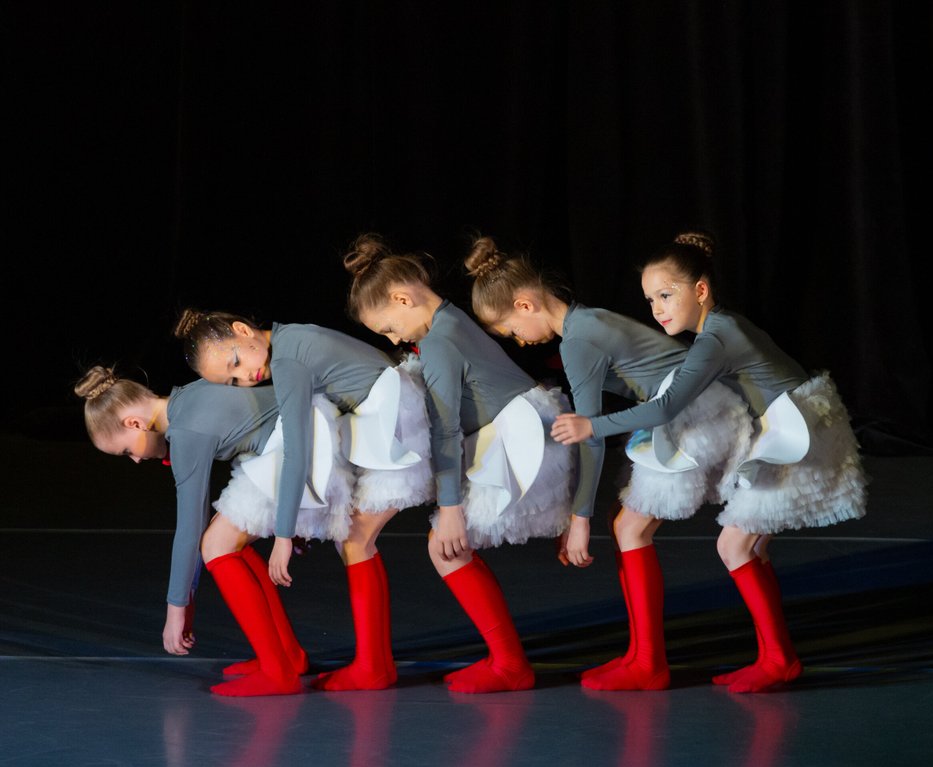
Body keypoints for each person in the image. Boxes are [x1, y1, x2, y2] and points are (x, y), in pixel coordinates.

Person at [552, 232, 868, 692]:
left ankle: (779, 660)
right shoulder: (719, 327)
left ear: (700, 290)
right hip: (792, 426)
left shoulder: (715, 339)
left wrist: (591, 426)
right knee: (749, 548)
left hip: (798, 435)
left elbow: (665, 408)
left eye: (666, 295)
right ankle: (776, 657)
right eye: (650, 300)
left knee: (734, 546)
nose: (657, 309)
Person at [464, 234, 750, 690]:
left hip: (697, 411)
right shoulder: (584, 322)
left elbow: (590, 436)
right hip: (686, 406)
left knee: (630, 528)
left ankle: (649, 664)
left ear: (525, 305)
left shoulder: (578, 340)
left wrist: (579, 520)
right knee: (628, 525)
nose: (519, 341)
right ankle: (641, 656)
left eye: (512, 330)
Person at [342, 234, 574, 693]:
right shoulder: (449, 321)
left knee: (445, 545)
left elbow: (445, 428)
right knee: (446, 548)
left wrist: (449, 509)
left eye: (389, 328)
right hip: (520, 425)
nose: (395, 339)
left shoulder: (441, 341)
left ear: (403, 299)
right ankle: (507, 660)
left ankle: (510, 665)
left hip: (518, 436)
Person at [174, 309, 433, 691]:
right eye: (232, 380)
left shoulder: (287, 359)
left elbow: (296, 450)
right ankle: (371, 664)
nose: (244, 377)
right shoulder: (288, 342)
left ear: (243, 330)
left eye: (236, 362)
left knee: (357, 538)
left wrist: (283, 535)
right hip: (384, 417)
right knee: (354, 539)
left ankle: (373, 667)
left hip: (400, 421)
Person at [74, 366, 341, 696]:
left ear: (134, 424)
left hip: (303, 444)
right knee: (228, 541)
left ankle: (278, 672)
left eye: (127, 451)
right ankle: (286, 656)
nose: (136, 460)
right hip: (305, 431)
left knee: (216, 545)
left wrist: (176, 610)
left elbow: (190, 528)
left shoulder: (186, 431)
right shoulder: (187, 397)